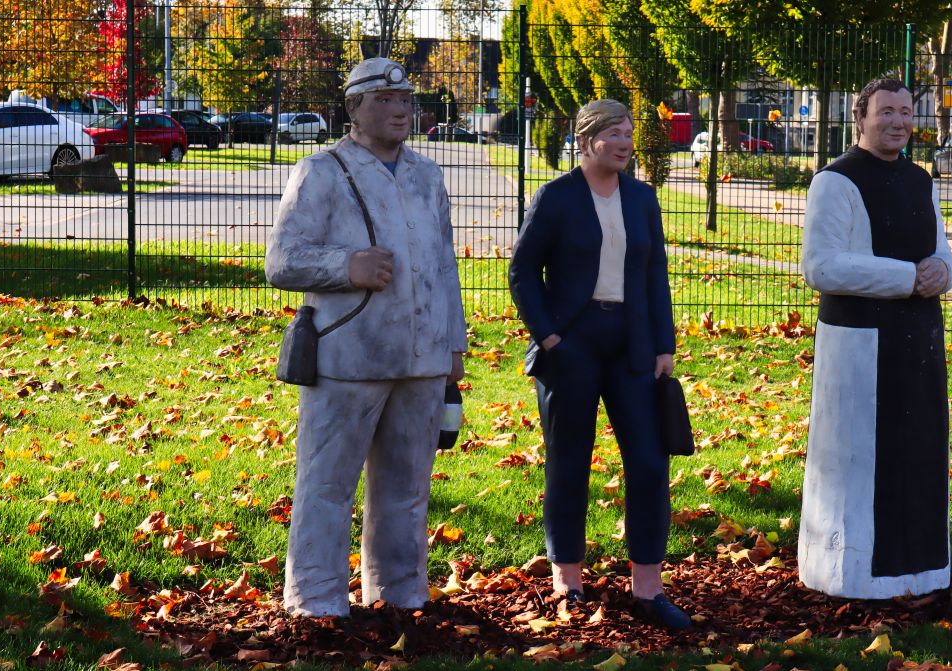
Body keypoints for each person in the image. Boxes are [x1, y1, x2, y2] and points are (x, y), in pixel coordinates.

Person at [265, 57, 467, 617]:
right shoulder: (321, 171)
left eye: (406, 100)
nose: (400, 110)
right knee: (327, 486)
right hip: (348, 357)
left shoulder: (428, 176)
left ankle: (401, 594)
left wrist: (453, 343)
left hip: (423, 357)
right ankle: (316, 600)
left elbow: (445, 264)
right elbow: (281, 260)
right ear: (353, 108)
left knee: (407, 490)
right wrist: (345, 265)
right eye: (384, 100)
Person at [508, 99, 690, 630]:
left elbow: (655, 273)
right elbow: (523, 272)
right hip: (573, 345)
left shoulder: (642, 198)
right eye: (614, 131)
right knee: (570, 459)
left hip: (632, 343)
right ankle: (568, 579)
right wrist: (550, 336)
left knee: (652, 461)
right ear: (587, 140)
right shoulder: (556, 197)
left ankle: (648, 588)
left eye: (629, 131)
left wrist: (663, 345)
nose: (625, 140)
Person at [797, 78, 952, 599]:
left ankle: (922, 572)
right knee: (861, 464)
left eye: (906, 111)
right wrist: (908, 278)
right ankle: (854, 575)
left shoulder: (921, 180)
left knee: (918, 452)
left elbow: (942, 251)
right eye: (886, 111)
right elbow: (821, 266)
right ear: (861, 117)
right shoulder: (834, 181)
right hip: (859, 348)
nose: (898, 121)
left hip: (919, 342)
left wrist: (942, 271)